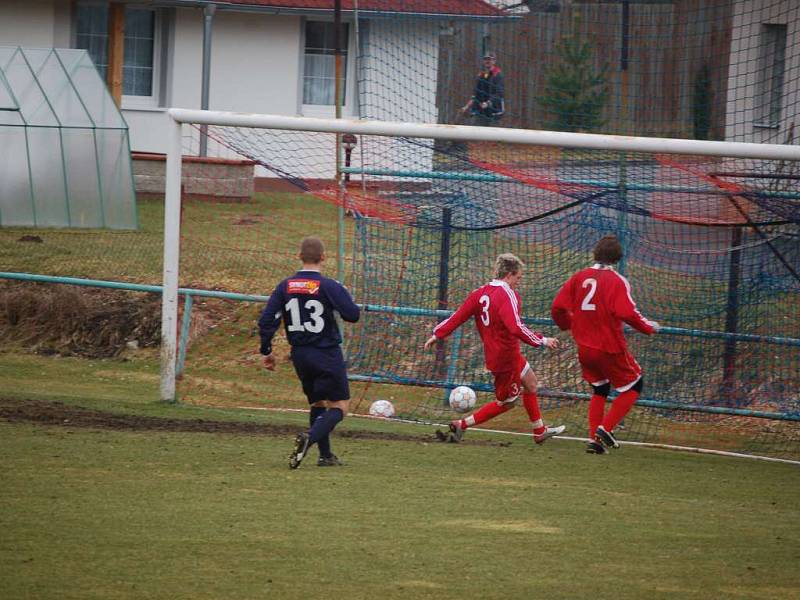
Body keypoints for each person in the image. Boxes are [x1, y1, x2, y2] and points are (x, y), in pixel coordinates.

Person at [424, 253, 565, 444]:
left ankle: (539, 430)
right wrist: (542, 340)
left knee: (531, 383)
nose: (518, 282)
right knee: (507, 403)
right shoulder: (507, 295)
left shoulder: (480, 292)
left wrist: (438, 333)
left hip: (504, 354)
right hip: (505, 358)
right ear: (509, 274)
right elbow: (515, 326)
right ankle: (461, 424)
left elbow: (458, 315)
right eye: (518, 278)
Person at [550, 234, 660, 455]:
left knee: (600, 388)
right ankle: (605, 429)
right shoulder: (617, 281)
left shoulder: (579, 277)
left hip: (584, 347)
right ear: (618, 258)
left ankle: (594, 442)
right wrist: (648, 327)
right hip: (608, 346)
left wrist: (569, 325)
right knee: (634, 385)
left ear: (595, 254)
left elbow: (557, 307)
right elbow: (627, 312)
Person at [259, 236, 360, 469]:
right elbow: (352, 315)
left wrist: (266, 350)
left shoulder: (284, 286)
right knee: (340, 406)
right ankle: (309, 438)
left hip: (300, 355)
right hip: (326, 352)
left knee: (318, 404)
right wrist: (341, 297)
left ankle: (325, 456)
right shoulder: (329, 286)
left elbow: (267, 320)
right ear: (323, 257)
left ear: (299, 256)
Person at [460, 52, 505, 126]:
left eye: (489, 59)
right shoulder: (481, 75)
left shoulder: (498, 74)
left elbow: (499, 93)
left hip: (494, 113)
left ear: (494, 61)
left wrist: (488, 103)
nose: (487, 61)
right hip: (481, 112)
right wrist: (466, 107)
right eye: (485, 59)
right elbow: (475, 95)